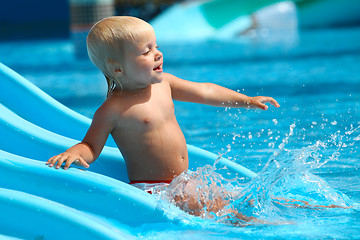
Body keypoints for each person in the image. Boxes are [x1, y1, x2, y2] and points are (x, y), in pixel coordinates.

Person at [46, 16, 280, 220]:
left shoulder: (163, 83)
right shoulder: (113, 109)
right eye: (146, 51)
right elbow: (91, 146)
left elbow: (205, 91)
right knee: (230, 215)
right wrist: (75, 152)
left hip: (185, 182)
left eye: (156, 46)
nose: (158, 53)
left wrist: (246, 100)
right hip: (156, 191)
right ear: (118, 69)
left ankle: (295, 207)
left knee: (244, 198)